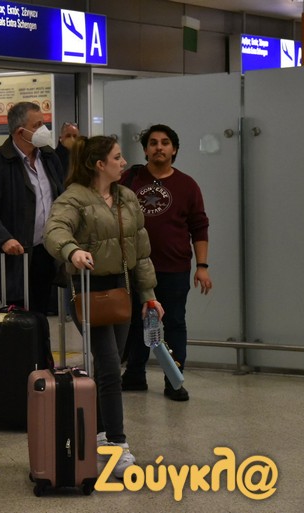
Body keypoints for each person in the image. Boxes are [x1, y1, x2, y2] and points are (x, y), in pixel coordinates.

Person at [44, 135, 162, 479]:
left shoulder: (126, 198)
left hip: (120, 290)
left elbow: (141, 250)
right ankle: (118, 444)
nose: (123, 162)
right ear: (99, 165)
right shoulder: (74, 198)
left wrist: (149, 294)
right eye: (117, 157)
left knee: (112, 363)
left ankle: (97, 431)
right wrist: (72, 251)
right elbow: (54, 230)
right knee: (110, 366)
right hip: (87, 291)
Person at [120, 124, 212, 401]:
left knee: (173, 323)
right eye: (153, 143)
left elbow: (199, 227)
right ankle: (134, 374)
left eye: (165, 143)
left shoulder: (187, 185)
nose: (159, 147)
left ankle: (174, 381)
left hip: (174, 267)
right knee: (135, 323)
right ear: (145, 150)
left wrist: (202, 266)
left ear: (174, 150)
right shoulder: (129, 180)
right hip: (135, 267)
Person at [0, 101, 64, 315]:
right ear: (21, 132)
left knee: (42, 316)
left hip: (45, 253)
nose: (43, 130)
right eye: (37, 125)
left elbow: (61, 196)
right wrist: (3, 239)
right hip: (15, 258)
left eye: (43, 123)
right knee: (18, 321)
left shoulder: (49, 157)